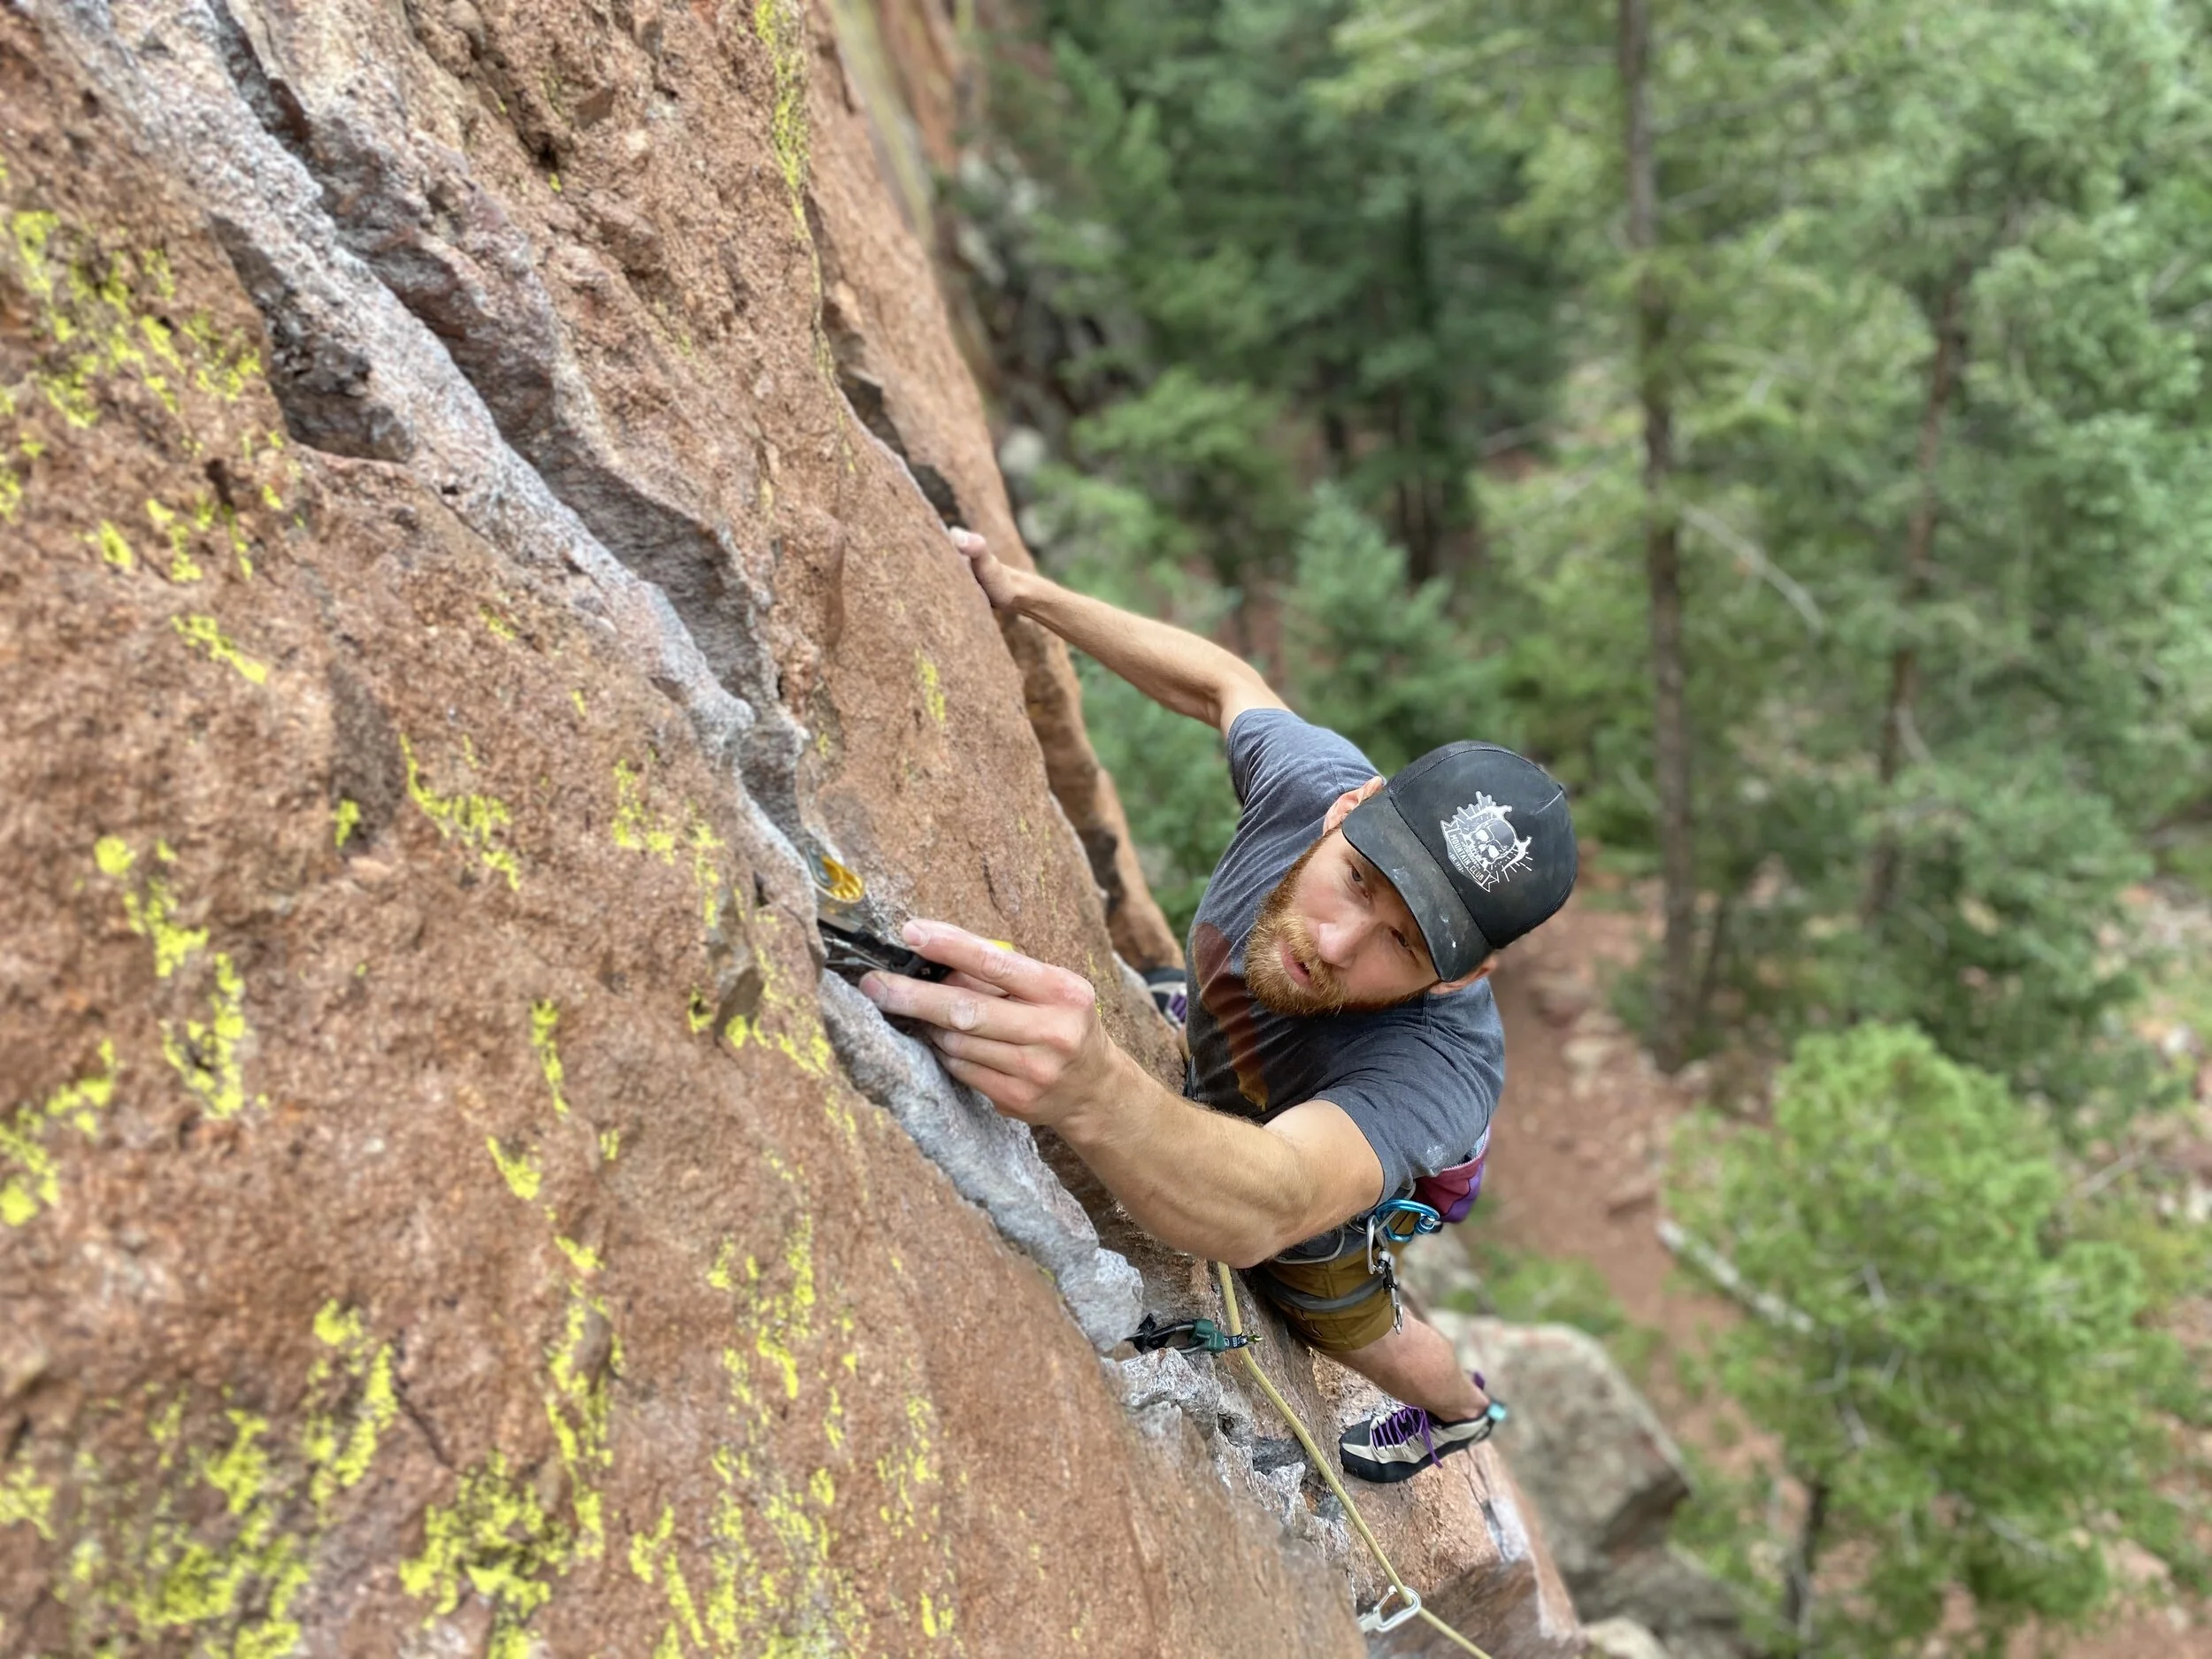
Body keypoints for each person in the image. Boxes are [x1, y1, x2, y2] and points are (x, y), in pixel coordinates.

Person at [857, 527, 1577, 1483]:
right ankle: (1198, 1053)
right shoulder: (1305, 781)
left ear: (1461, 980)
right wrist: (1024, 592)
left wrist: (1099, 1093)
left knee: (1340, 1314)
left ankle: (1461, 1414)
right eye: (1358, 882)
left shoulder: (1440, 1070)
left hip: (1311, 1200)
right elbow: (1222, 681)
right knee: (1196, 1018)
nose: (1334, 944)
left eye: (1403, 944)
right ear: (1345, 808)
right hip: (1227, 1064)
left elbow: (1272, 1201)